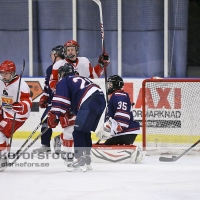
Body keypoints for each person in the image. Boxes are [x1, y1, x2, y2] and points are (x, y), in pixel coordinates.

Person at [49, 40, 109, 156]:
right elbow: (52, 84)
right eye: (68, 50)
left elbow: (94, 77)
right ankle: (69, 155)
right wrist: (65, 95)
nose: (70, 52)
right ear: (64, 52)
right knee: (70, 129)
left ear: (77, 50)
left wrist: (101, 65)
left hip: (82, 99)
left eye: (72, 49)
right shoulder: (58, 65)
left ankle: (62, 142)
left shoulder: (84, 61)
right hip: (65, 99)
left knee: (78, 128)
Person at [47, 63, 106, 172]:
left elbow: (61, 101)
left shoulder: (64, 80)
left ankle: (80, 159)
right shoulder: (81, 78)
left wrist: (54, 115)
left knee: (78, 132)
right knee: (85, 132)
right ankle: (87, 161)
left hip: (88, 100)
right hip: (101, 99)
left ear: (62, 74)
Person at [96, 75, 143, 163]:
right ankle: (130, 152)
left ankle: (132, 153)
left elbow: (122, 121)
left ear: (115, 85)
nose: (108, 86)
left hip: (125, 132)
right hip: (125, 132)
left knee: (106, 149)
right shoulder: (117, 96)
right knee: (108, 145)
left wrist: (111, 130)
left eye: (110, 84)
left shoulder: (119, 96)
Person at [32, 45, 66, 154]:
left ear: (56, 54)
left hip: (66, 102)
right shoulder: (49, 69)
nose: (51, 56)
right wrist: (45, 97)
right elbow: (47, 86)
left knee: (70, 124)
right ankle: (45, 145)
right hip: (54, 102)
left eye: (52, 54)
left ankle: (60, 140)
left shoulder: (68, 67)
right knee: (45, 120)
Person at [0, 60, 32, 171]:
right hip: (4, 111)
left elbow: (28, 102)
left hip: (17, 116)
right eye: (2, 73)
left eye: (6, 73)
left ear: (13, 73)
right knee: (3, 135)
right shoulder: (1, 81)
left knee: (0, 133)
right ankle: (4, 153)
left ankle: (2, 158)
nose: (4, 75)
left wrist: (22, 107)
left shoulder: (21, 85)